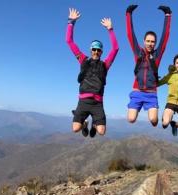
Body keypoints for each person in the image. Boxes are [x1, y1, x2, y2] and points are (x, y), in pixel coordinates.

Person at [66, 8, 119, 138]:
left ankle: (95, 125)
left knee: (101, 131)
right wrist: (71, 22)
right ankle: (84, 124)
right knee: (75, 129)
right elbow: (69, 41)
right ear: (90, 50)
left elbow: (115, 48)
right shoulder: (83, 60)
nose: (96, 52)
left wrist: (110, 29)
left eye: (98, 50)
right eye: (94, 49)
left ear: (101, 52)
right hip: (83, 102)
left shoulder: (105, 65)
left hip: (97, 103)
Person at [126, 5, 172, 126]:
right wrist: (128, 14)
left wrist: (168, 15)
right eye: (148, 41)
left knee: (153, 119)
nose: (150, 43)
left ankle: (156, 120)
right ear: (144, 41)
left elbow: (165, 37)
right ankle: (148, 114)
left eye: (153, 41)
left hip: (151, 93)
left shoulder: (157, 55)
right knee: (131, 119)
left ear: (155, 43)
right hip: (137, 91)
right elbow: (130, 35)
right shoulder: (138, 52)